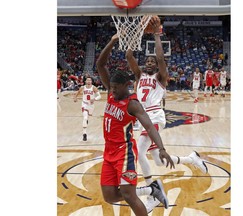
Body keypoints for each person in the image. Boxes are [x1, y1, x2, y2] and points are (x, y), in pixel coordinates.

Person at [126, 17, 208, 213]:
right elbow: (129, 55)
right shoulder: (140, 76)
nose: (148, 63)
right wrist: (135, 33)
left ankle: (152, 193)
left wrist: (156, 34)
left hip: (154, 117)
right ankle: (191, 158)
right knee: (157, 160)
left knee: (141, 154)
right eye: (147, 60)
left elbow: (161, 59)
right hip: (144, 118)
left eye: (152, 61)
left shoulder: (161, 78)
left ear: (157, 66)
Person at [96, 34, 175, 216]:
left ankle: (150, 188)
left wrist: (162, 147)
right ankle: (151, 189)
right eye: (112, 87)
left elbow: (148, 126)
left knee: (128, 194)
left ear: (127, 85)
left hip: (124, 152)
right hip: (108, 151)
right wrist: (114, 40)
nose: (112, 90)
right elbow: (101, 64)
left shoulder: (132, 104)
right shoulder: (111, 93)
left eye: (116, 87)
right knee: (109, 196)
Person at [74, 77, 101, 141]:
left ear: (91, 81)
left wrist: (94, 99)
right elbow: (77, 93)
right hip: (84, 104)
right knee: (85, 117)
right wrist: (75, 97)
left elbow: (99, 96)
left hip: (91, 105)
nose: (88, 81)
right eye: (87, 80)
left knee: (87, 117)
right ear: (85, 81)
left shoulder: (94, 88)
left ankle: (85, 121)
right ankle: (84, 134)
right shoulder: (83, 87)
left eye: (90, 80)